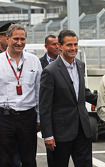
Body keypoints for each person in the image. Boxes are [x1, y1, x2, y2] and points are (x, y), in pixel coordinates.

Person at [39, 29, 97, 167]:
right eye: (69, 45)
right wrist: (48, 135)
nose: (73, 48)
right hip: (60, 134)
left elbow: (82, 92)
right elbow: (45, 106)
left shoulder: (80, 65)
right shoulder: (50, 71)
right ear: (60, 46)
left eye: (75, 44)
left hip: (83, 130)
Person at [0, 24, 42, 166]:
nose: (19, 42)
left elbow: (39, 91)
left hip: (27, 118)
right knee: (5, 160)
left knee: (29, 160)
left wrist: (39, 118)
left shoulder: (34, 61)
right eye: (16, 38)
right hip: (4, 117)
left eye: (22, 39)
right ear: (8, 38)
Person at [39, 35, 59, 167]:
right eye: (53, 44)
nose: (57, 46)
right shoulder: (38, 63)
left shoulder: (66, 62)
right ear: (46, 47)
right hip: (47, 111)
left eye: (58, 44)